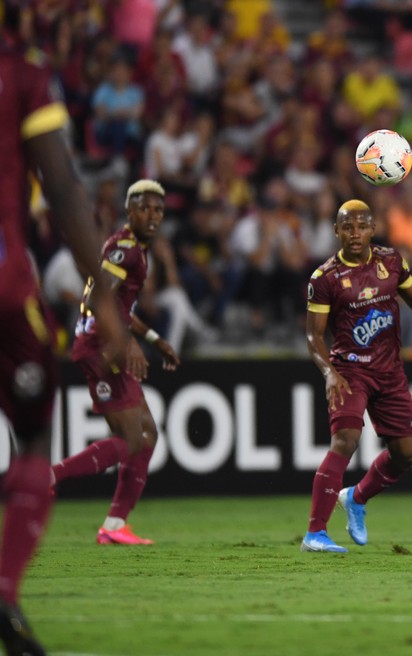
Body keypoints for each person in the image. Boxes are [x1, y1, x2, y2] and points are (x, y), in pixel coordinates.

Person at [0, 35, 128, 656]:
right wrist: (104, 297)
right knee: (32, 439)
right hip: (6, 286)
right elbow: (63, 188)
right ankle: (3, 591)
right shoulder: (20, 78)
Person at [301, 199, 412, 553]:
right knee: (345, 439)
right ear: (337, 231)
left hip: (390, 370)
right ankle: (315, 532)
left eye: (362, 226)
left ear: (372, 229)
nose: (355, 234)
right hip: (350, 370)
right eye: (347, 227)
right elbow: (313, 336)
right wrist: (329, 373)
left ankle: (357, 498)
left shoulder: (391, 262)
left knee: (406, 453)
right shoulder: (325, 278)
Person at [50, 180, 180, 547]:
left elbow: (121, 308)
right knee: (130, 440)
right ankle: (50, 477)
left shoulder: (134, 248)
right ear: (129, 210)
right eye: (144, 207)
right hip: (101, 350)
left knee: (146, 435)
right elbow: (96, 300)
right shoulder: (126, 250)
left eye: (158, 210)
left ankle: (115, 524)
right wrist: (126, 345)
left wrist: (154, 340)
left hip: (107, 345)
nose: (152, 215)